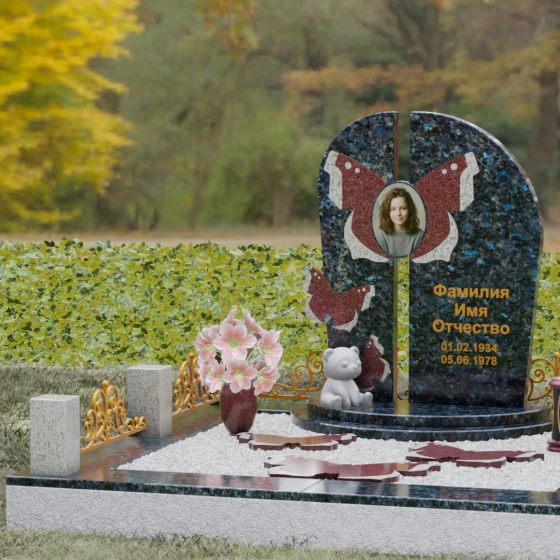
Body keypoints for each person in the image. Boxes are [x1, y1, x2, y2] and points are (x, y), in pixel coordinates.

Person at [376, 187, 424, 257]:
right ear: (387, 211)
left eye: (403, 208)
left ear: (410, 210)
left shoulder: (419, 236)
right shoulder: (381, 235)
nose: (398, 213)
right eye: (393, 209)